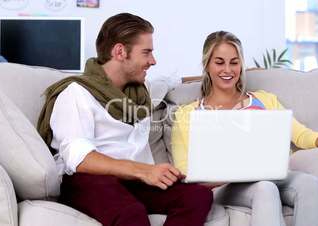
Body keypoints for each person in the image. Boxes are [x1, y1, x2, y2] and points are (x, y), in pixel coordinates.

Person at [37, 13, 213, 226]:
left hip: (133, 180)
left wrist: (239, 72)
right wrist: (145, 171)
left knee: (197, 196)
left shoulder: (140, 91)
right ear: (120, 51)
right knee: (131, 213)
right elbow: (80, 159)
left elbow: (173, 80)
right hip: (87, 181)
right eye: (146, 52)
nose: (153, 61)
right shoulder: (77, 93)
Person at [171, 31, 318, 226]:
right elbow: (184, 171)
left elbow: (301, 135)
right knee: (265, 189)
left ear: (241, 65)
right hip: (225, 186)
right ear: (207, 65)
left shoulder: (264, 100)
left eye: (234, 62)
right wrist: (230, 174)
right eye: (219, 62)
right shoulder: (187, 114)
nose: (227, 69)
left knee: (310, 184)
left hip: (270, 176)